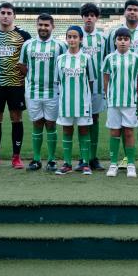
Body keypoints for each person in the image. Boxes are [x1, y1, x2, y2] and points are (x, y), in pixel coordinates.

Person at [106, 0, 138, 171]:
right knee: (121, 123)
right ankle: (126, 157)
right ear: (124, 12)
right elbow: (109, 57)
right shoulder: (114, 32)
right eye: (129, 9)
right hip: (122, 85)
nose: (132, 12)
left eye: (135, 10)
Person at [0, 2, 31, 169]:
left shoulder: (23, 35)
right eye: (2, 12)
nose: (5, 16)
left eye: (9, 13)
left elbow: (28, 60)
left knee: (16, 118)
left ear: (14, 16)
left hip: (16, 84)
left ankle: (16, 157)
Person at [19, 13, 67, 172]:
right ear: (36, 26)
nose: (43, 28)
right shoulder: (28, 44)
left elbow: (64, 67)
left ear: (52, 27)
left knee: (51, 124)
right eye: (40, 25)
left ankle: (52, 160)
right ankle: (37, 159)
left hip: (53, 91)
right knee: (37, 124)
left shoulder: (60, 46)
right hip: (33, 92)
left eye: (46, 25)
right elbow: (22, 66)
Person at [54, 25, 96, 175]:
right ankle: (66, 163)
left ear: (80, 39)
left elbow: (91, 80)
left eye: (75, 37)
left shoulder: (87, 58)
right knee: (67, 131)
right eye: (69, 37)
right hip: (65, 103)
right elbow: (58, 80)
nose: (72, 39)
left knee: (84, 131)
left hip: (83, 102)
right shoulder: (60, 59)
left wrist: (87, 98)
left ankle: (85, 163)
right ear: (66, 39)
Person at [102, 28, 138, 178]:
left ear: (130, 41)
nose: (123, 42)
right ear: (115, 41)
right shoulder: (109, 58)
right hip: (114, 101)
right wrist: (107, 95)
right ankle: (113, 164)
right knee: (114, 132)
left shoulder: (136, 58)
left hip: (129, 101)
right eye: (120, 39)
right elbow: (106, 77)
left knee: (129, 131)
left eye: (126, 39)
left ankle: (131, 164)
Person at [79, 3, 107, 171]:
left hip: (97, 87)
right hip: (78, 87)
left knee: (94, 119)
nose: (89, 17)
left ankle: (93, 157)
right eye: (86, 15)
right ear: (82, 17)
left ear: (96, 18)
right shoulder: (75, 35)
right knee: (82, 121)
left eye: (92, 15)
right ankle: (83, 158)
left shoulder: (103, 38)